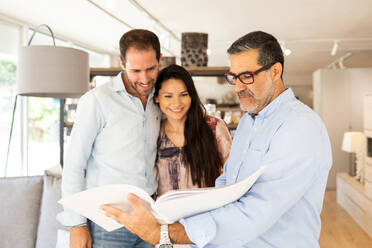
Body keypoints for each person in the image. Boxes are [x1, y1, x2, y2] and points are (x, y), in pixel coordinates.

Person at [101, 30, 332, 248]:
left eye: (247, 76)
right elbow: (226, 187)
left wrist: (166, 233)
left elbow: (258, 209)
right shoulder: (248, 122)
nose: (238, 87)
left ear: (275, 71)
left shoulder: (300, 126)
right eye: (234, 77)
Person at [57, 29, 163, 248]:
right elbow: (74, 165)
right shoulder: (97, 101)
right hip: (108, 222)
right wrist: (76, 225)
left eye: (151, 69)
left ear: (159, 60)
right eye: (136, 70)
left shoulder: (161, 98)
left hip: (151, 218)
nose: (144, 79)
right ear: (122, 63)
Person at [153, 64, 231, 196]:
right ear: (157, 98)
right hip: (167, 215)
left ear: (191, 96)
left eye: (183, 94)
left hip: (207, 213)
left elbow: (233, 175)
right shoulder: (154, 133)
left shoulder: (214, 127)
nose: (177, 103)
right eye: (168, 96)